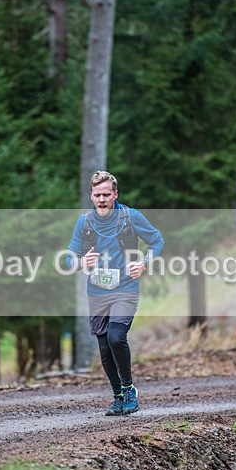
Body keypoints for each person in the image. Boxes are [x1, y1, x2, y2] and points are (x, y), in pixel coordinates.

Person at [67, 171, 164, 416]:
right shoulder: (84, 222)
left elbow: (157, 240)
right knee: (104, 348)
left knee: (116, 337)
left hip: (125, 289)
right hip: (97, 293)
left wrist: (143, 263)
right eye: (97, 194)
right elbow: (69, 257)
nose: (101, 199)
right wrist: (82, 261)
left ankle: (130, 389)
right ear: (91, 195)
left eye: (106, 194)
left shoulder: (130, 217)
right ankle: (118, 397)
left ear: (115, 194)